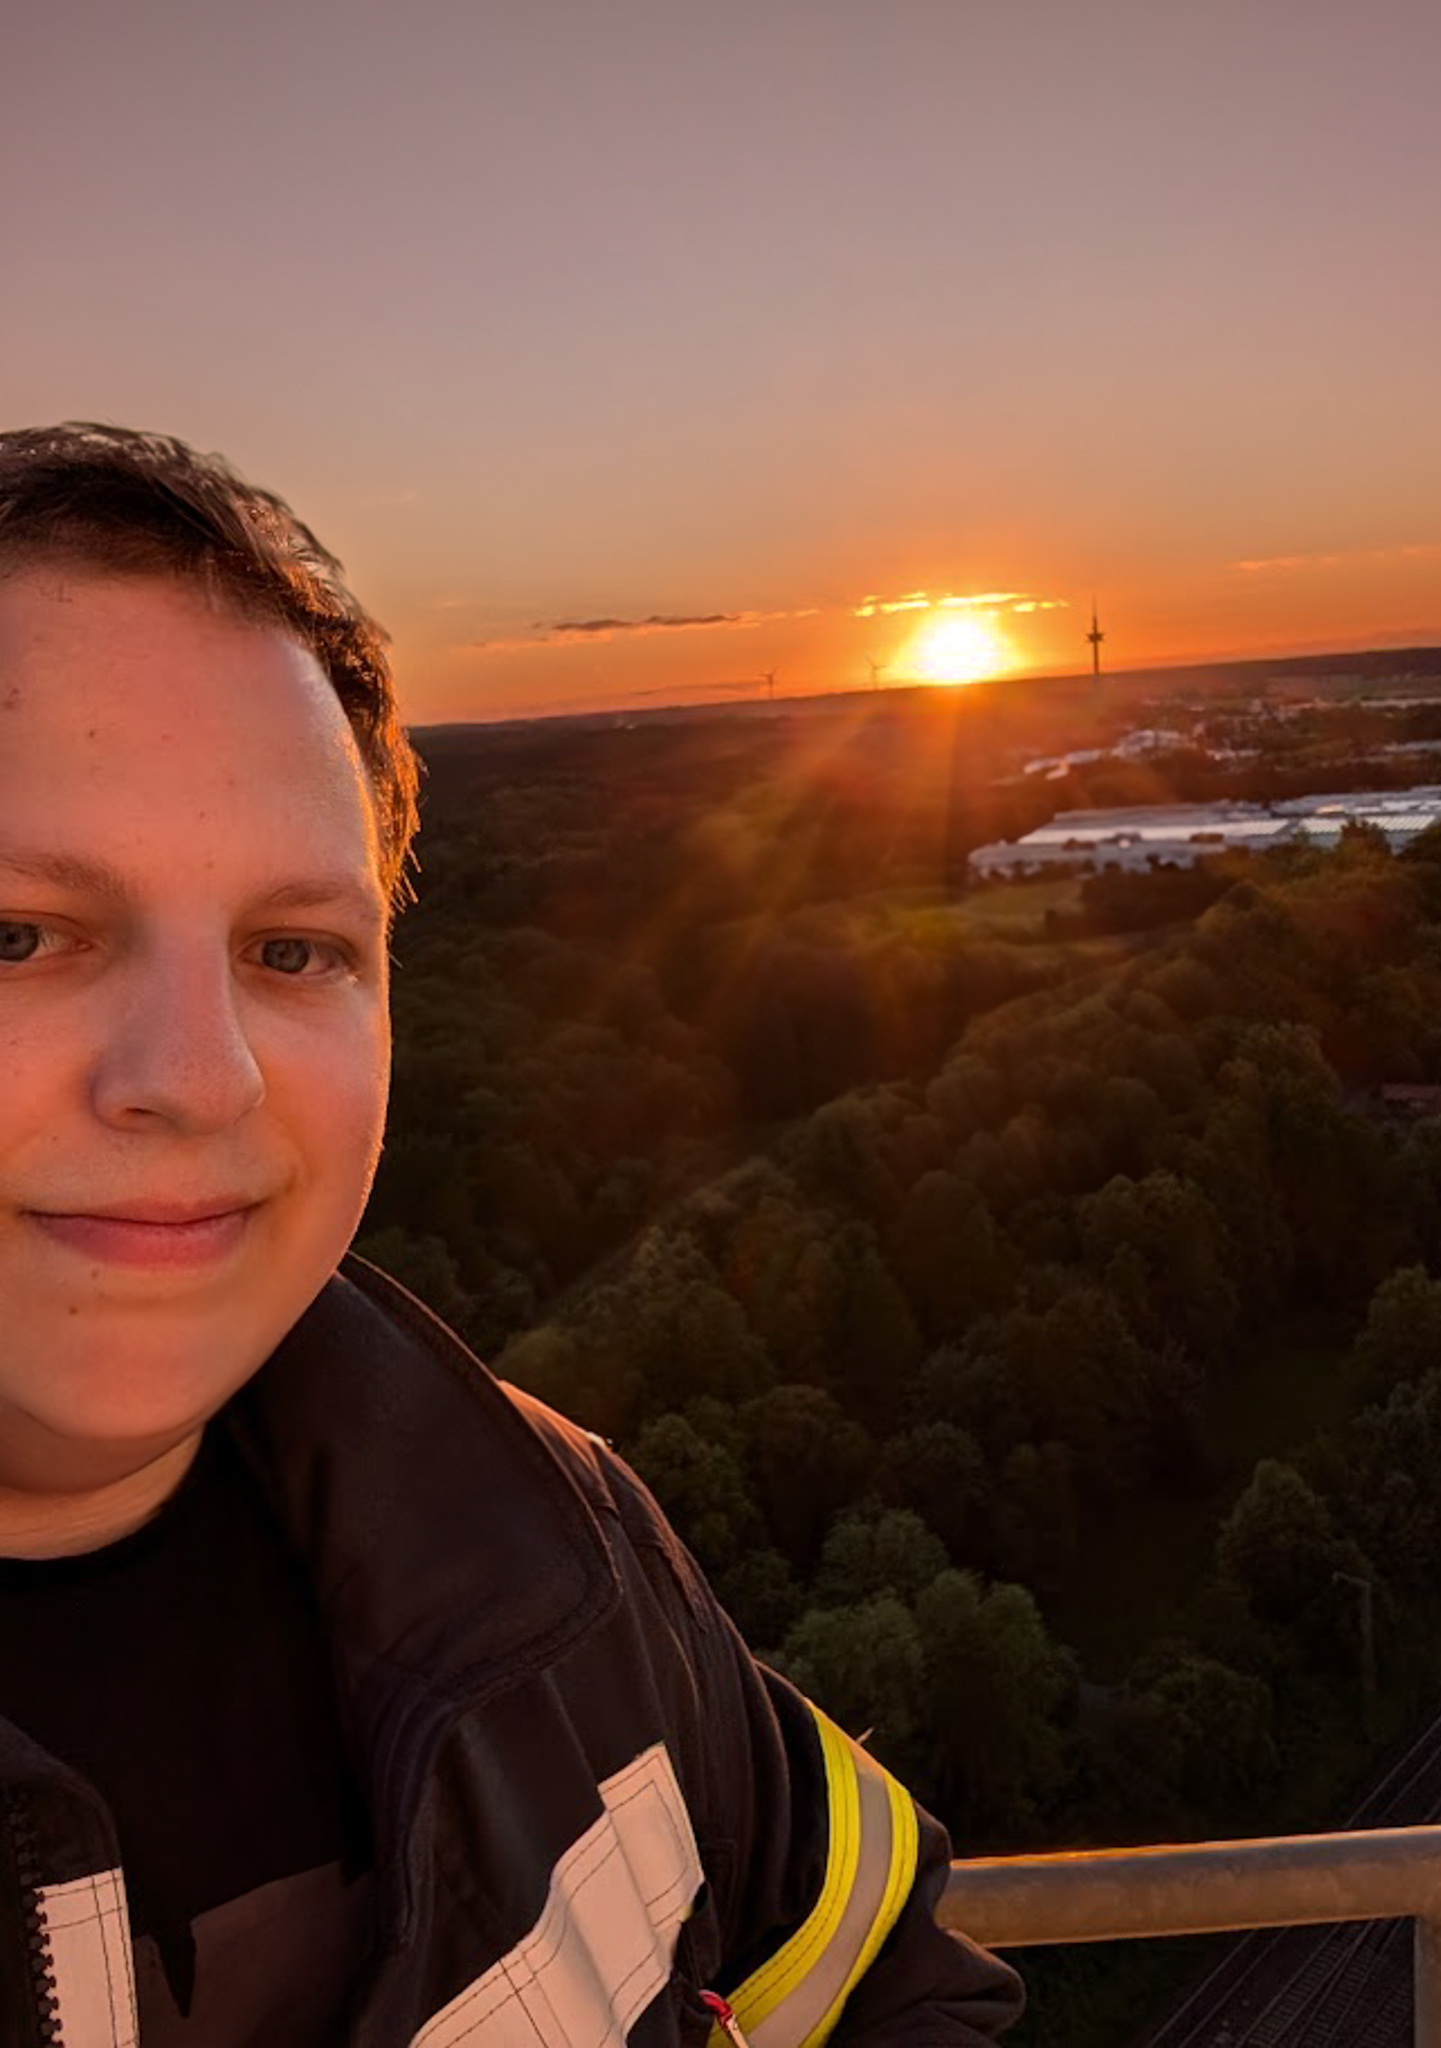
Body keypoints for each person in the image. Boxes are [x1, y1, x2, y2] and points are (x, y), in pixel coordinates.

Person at [0, 423, 1024, 2046]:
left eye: (292, 946)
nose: (199, 1079)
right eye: (22, 932)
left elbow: (878, 1972)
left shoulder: (541, 1536)